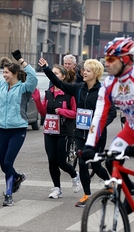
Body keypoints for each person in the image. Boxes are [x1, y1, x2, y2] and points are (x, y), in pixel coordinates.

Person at [80, 37, 134, 214]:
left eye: (111, 59)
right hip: (131, 129)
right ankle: (131, 191)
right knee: (111, 160)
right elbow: (99, 115)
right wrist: (89, 144)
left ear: (125, 59)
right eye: (106, 59)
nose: (107, 63)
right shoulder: (109, 84)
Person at [37, 58, 116, 206]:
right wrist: (47, 69)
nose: (84, 72)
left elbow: (111, 112)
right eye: (84, 70)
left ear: (96, 73)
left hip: (97, 134)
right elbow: (60, 83)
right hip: (79, 132)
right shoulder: (78, 88)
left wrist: (100, 125)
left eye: (88, 70)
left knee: (96, 165)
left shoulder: (103, 91)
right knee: (82, 162)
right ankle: (87, 194)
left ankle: (110, 183)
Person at [0, 47, 38, 206]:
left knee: (8, 163)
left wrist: (21, 60)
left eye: (7, 72)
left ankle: (8, 195)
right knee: (3, 165)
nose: (4, 75)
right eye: (3, 72)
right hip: (2, 129)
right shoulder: (1, 85)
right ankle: (18, 177)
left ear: (15, 74)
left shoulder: (24, 88)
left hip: (18, 130)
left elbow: (33, 77)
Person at [33, 62, 80, 199]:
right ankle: (57, 188)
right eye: (52, 73)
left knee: (61, 161)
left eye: (56, 73)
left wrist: (62, 112)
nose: (53, 76)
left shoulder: (70, 93)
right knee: (51, 160)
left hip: (64, 131)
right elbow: (43, 113)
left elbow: (75, 113)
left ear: (63, 77)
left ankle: (74, 175)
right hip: (50, 130)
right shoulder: (49, 93)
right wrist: (36, 99)